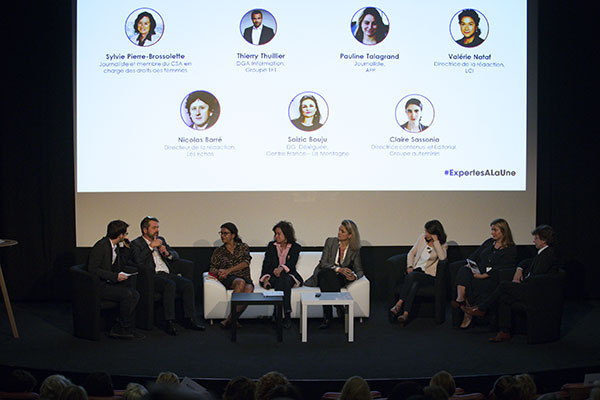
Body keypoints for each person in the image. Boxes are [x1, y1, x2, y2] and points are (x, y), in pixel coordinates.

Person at [463, 225, 560, 342]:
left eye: (536, 238)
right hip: (530, 286)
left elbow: (537, 276)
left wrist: (521, 282)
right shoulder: (542, 253)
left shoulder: (548, 255)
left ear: (544, 240)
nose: (534, 241)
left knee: (504, 285)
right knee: (504, 297)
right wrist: (519, 268)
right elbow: (527, 262)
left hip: (536, 291)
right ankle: (504, 331)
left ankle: (482, 308)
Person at [131, 216, 205, 335]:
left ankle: (189, 319)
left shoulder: (161, 240)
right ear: (145, 230)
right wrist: (150, 247)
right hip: (151, 276)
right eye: (154, 227)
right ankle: (168, 322)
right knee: (169, 285)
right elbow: (138, 260)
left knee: (187, 284)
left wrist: (166, 252)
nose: (157, 230)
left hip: (166, 273)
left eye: (158, 227)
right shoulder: (136, 243)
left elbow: (175, 255)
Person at [452, 218, 517, 329]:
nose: (492, 233)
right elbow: (475, 255)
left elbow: (504, 267)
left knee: (473, 283)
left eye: (495, 230)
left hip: (492, 277)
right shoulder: (489, 243)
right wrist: (470, 264)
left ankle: (468, 312)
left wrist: (483, 275)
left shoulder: (510, 249)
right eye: (492, 230)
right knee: (464, 270)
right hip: (478, 272)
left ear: (503, 231)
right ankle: (460, 299)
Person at [87, 220, 142, 339]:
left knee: (135, 294)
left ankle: (120, 325)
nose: (126, 236)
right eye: (125, 233)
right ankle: (122, 328)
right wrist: (114, 276)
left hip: (109, 283)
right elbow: (92, 269)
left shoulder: (115, 247)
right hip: (99, 285)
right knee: (127, 294)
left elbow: (119, 266)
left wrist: (126, 249)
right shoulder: (101, 246)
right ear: (120, 234)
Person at [305, 219, 363, 329]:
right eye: (339, 230)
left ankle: (328, 317)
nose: (339, 233)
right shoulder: (330, 242)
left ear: (350, 235)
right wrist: (338, 269)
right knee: (327, 273)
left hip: (337, 279)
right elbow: (323, 263)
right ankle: (339, 306)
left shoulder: (354, 250)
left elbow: (360, 270)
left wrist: (354, 276)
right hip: (323, 273)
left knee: (329, 279)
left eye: (342, 231)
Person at [388, 220, 448, 325]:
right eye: (425, 231)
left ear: (435, 233)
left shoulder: (442, 244)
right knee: (414, 283)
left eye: (428, 232)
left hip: (429, 276)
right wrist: (410, 266)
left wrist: (436, 242)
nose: (426, 234)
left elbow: (443, 258)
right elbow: (411, 253)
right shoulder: (422, 238)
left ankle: (399, 304)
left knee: (412, 277)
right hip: (416, 272)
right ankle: (405, 314)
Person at [209, 222, 253, 329]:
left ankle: (230, 319)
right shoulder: (219, 251)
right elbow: (212, 268)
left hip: (244, 276)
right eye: (221, 233)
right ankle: (232, 320)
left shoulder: (243, 247)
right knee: (240, 283)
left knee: (249, 289)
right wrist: (219, 271)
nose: (222, 236)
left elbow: (246, 263)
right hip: (229, 278)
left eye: (225, 233)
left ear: (233, 235)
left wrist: (228, 270)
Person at [259, 221, 303, 329]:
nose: (276, 236)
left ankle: (278, 312)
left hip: (290, 276)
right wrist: (266, 278)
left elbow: (291, 264)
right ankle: (286, 315)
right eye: (275, 234)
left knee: (284, 279)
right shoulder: (271, 246)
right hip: (274, 277)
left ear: (286, 234)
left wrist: (281, 268)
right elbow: (266, 264)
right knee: (281, 280)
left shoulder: (295, 247)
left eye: (279, 234)